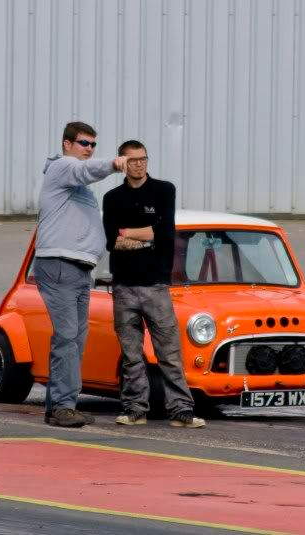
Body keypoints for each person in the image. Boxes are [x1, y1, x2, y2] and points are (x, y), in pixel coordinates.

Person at [102, 140, 205, 428]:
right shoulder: (112, 198)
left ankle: (181, 411)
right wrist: (147, 237)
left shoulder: (163, 190)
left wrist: (127, 233)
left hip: (156, 286)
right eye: (133, 160)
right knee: (131, 355)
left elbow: (165, 233)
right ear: (122, 163)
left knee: (169, 353)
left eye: (143, 159)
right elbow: (111, 241)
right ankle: (135, 409)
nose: (139, 164)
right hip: (123, 287)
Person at [35, 122, 128, 427]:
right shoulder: (62, 166)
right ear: (67, 144)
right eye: (84, 143)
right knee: (67, 338)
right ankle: (62, 407)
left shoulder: (78, 187)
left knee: (74, 339)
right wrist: (114, 164)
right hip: (60, 264)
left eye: (93, 145)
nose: (89, 149)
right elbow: (85, 170)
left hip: (78, 268)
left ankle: (61, 405)